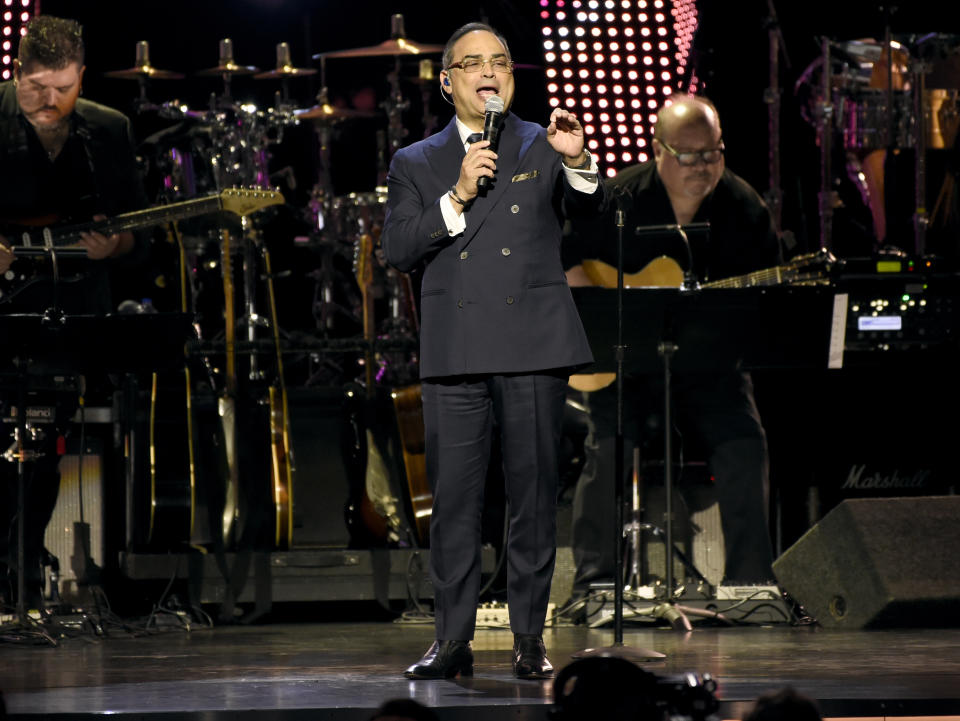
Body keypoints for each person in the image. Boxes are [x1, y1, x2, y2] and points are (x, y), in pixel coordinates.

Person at [381, 22, 603, 679]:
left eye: (500, 62)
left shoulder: (543, 141)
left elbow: (593, 220)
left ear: (511, 77)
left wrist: (579, 162)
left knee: (533, 494)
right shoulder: (417, 162)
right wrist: (458, 194)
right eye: (472, 63)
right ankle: (452, 639)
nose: (489, 72)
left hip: (533, 340)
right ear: (447, 80)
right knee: (455, 500)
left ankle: (531, 637)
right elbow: (398, 249)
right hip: (457, 346)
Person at [563, 95, 780, 608]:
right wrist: (595, 313)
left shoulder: (744, 208)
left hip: (707, 363)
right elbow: (564, 254)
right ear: (658, 150)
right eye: (688, 156)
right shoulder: (620, 198)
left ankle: (749, 585)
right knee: (608, 444)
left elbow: (766, 299)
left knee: (744, 439)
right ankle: (594, 584)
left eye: (713, 154)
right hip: (628, 364)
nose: (703, 168)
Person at [0, 15, 148, 609]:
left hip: (71, 309)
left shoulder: (109, 130)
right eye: (37, 88)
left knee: (49, 439)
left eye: (64, 88)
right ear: (16, 75)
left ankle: (26, 563)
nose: (51, 102)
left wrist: (116, 246)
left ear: (81, 76)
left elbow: (141, 233)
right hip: (4, 307)